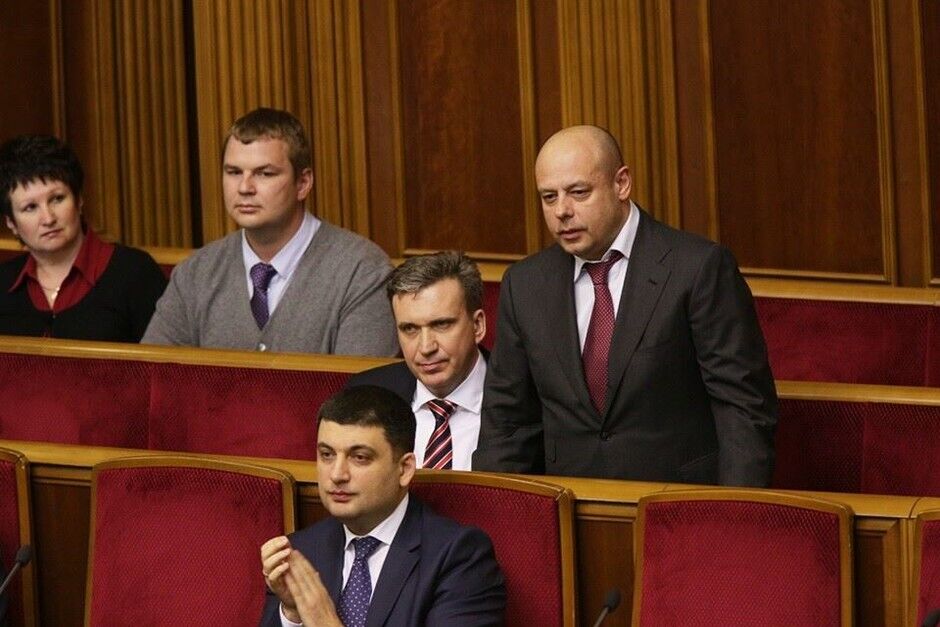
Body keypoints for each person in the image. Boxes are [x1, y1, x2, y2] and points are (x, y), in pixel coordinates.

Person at [473, 125, 778, 486]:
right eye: (549, 197)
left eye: (578, 192)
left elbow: (743, 410)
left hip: (675, 503)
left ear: (621, 184)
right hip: (570, 504)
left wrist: (733, 510)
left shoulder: (697, 269)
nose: (562, 211)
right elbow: (507, 422)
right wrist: (500, 512)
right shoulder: (525, 284)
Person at [142, 108, 397, 355]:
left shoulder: (362, 271)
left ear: (303, 183)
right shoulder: (196, 272)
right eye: (234, 172)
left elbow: (363, 384)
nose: (244, 187)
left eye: (264, 173)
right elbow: (151, 375)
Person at [259, 385, 505, 626]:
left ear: (404, 469)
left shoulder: (459, 556)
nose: (337, 474)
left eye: (360, 457)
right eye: (327, 455)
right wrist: (292, 614)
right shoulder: (299, 552)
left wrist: (324, 621)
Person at [0, 135, 166, 341]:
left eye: (57, 199)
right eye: (30, 207)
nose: (48, 218)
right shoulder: (3, 282)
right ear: (11, 223)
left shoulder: (135, 272)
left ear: (79, 200)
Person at [346, 252, 487, 470]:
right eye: (410, 329)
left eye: (441, 325)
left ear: (477, 326)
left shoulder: (527, 398)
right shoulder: (367, 395)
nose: (426, 348)